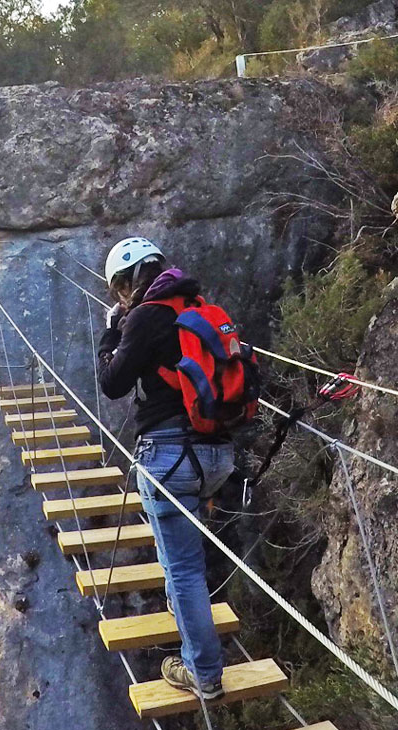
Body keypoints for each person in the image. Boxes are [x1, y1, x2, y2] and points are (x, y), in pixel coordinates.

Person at [96, 236, 235, 701]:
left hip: (169, 456)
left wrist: (111, 334)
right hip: (217, 456)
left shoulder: (145, 316)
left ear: (129, 280)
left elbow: (112, 383)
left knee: (183, 571)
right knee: (187, 565)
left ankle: (203, 672)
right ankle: (200, 654)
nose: (118, 296)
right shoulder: (197, 307)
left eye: (118, 287)